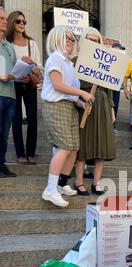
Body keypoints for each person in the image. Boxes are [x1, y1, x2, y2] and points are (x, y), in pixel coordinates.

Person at [41, 26, 94, 208]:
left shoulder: (70, 63)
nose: (70, 42)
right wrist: (82, 94)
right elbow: (57, 85)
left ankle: (62, 183)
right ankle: (50, 188)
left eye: (72, 39)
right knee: (64, 146)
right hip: (56, 106)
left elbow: (68, 92)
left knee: (73, 148)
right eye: (67, 38)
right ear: (56, 38)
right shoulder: (55, 58)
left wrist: (79, 102)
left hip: (69, 106)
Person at [74, 28, 116, 196]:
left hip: (103, 105)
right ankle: (78, 182)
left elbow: (110, 90)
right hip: (84, 105)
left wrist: (112, 109)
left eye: (96, 40)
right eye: (89, 39)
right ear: (83, 41)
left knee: (101, 145)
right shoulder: (76, 61)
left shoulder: (106, 64)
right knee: (83, 145)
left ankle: (96, 183)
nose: (92, 43)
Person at [6, 11, 42, 165]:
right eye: (19, 21)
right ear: (12, 22)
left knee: (33, 117)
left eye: (24, 22)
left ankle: (31, 152)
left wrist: (31, 63)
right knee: (16, 118)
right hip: (14, 83)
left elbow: (40, 65)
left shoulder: (31, 43)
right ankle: (20, 153)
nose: (22, 24)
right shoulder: (7, 44)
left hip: (29, 83)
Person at [0, 7, 16, 178]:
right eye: (1, 18)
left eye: (5, 18)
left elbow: (13, 69)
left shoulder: (10, 46)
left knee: (4, 134)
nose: (5, 21)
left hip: (10, 95)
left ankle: (1, 163)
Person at [111, 42, 125, 129]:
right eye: (118, 49)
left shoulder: (121, 61)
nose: (120, 50)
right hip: (108, 87)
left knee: (115, 104)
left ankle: (113, 122)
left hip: (117, 86)